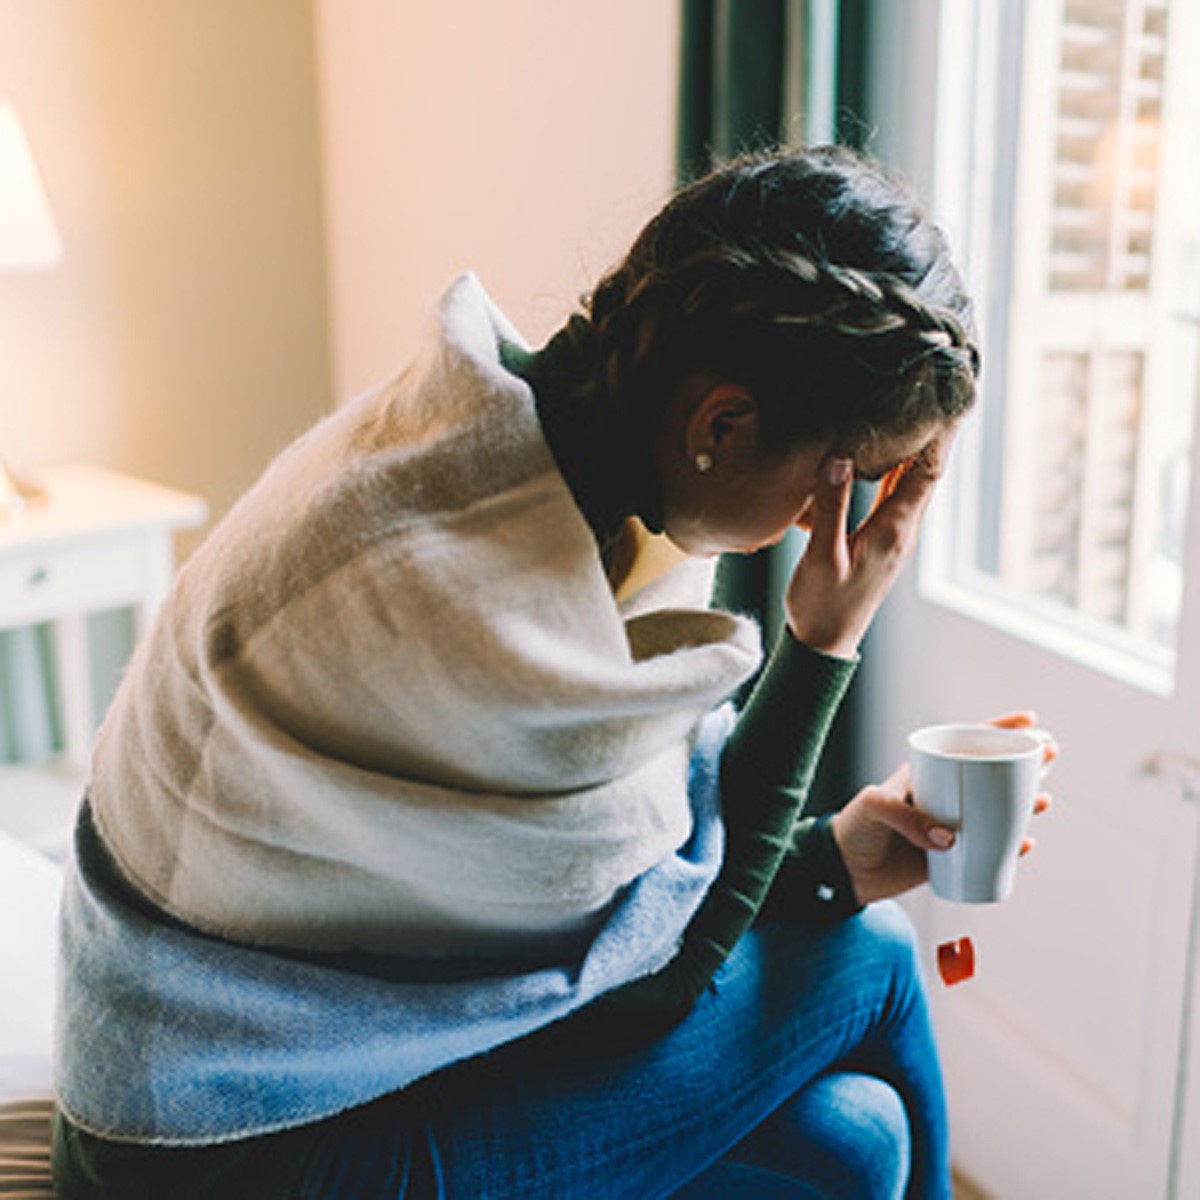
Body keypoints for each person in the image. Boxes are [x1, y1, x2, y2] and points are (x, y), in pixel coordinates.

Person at [52, 144, 1000, 1199]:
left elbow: (629, 882)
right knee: (873, 956)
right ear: (722, 425)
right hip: (230, 1143)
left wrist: (825, 855)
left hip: (245, 1061)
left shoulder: (496, 438)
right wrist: (826, 637)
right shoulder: (475, 606)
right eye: (849, 481)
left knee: (857, 1141)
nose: (839, 523)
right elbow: (660, 979)